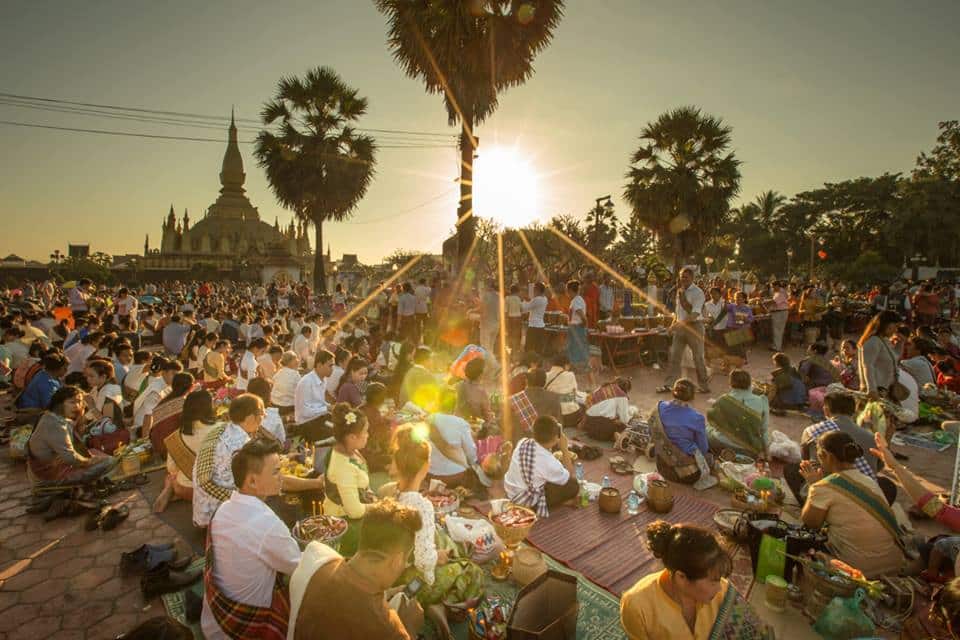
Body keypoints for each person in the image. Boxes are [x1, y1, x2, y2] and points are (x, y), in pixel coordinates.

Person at [201, 437, 300, 640]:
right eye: (275, 471)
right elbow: (301, 567)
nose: (281, 476)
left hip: (213, 623)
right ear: (252, 481)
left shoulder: (223, 508)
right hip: (241, 631)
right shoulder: (267, 525)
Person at [288, 499, 425, 640]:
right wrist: (409, 626)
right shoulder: (387, 629)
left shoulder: (319, 559)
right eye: (405, 560)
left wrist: (387, 593)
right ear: (396, 561)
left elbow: (350, 592)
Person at [620, 522, 770, 640]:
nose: (719, 588)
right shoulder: (637, 606)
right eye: (713, 581)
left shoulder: (724, 594)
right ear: (681, 578)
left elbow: (755, 633)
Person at [193, 394, 323, 528]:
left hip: (203, 513)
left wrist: (284, 458)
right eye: (262, 413)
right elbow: (278, 481)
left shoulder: (221, 429)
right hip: (220, 516)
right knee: (287, 505)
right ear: (250, 418)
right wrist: (316, 483)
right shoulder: (242, 445)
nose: (265, 416)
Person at [799, 431, 905, 578]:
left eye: (819, 456)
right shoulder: (868, 481)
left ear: (827, 456)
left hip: (857, 571)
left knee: (798, 542)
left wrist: (813, 485)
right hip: (893, 566)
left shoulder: (823, 487)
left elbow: (810, 522)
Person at [784, 391, 896, 505]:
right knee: (886, 485)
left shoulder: (814, 431)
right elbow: (877, 467)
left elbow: (805, 463)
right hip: (861, 494)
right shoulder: (872, 438)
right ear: (854, 411)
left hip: (829, 494)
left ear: (826, 409)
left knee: (794, 469)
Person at [27, 386, 118, 484]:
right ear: (60, 404)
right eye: (72, 402)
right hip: (50, 475)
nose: (77, 406)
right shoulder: (55, 425)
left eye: (79, 402)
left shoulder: (50, 416)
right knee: (110, 461)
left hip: (50, 466)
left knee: (93, 452)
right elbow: (71, 458)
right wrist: (90, 462)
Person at [322, 403, 376, 556]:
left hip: (358, 506)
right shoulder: (343, 467)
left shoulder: (348, 449)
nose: (368, 434)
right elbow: (354, 511)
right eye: (365, 431)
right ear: (352, 437)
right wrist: (379, 506)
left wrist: (371, 495)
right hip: (345, 523)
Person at [154, 389, 219, 513]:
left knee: (171, 477)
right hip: (216, 490)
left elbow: (172, 468)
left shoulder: (176, 436)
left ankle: (170, 488)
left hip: (186, 490)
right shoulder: (221, 429)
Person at [504, 415, 579, 516]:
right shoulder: (549, 462)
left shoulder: (523, 442)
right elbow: (569, 476)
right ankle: (553, 504)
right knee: (573, 486)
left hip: (510, 490)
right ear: (555, 438)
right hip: (525, 501)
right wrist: (564, 449)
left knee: (547, 477)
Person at [650, 379, 715, 489]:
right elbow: (703, 449)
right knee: (710, 452)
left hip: (662, 466)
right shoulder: (697, 417)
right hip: (688, 475)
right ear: (692, 396)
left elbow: (651, 433)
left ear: (673, 392)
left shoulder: (659, 407)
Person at [657, 268, 710, 394]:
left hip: (694, 326)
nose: (683, 279)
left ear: (692, 278)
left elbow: (695, 314)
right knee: (674, 356)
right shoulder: (679, 291)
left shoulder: (698, 292)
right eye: (681, 277)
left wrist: (678, 325)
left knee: (698, 358)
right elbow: (678, 312)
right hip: (680, 327)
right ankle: (669, 384)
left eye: (686, 277)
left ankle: (704, 386)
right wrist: (672, 325)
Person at [706, 369, 769, 458]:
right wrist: (767, 454)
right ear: (749, 383)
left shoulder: (723, 400)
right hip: (748, 451)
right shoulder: (762, 401)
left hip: (720, 445)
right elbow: (764, 431)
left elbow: (712, 420)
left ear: (731, 383)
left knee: (706, 429)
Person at [427, 388, 482, 491]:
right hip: (456, 476)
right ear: (455, 405)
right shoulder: (460, 423)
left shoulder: (429, 420)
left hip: (431, 475)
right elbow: (471, 454)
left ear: (438, 402)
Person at [148, 372, 195, 456]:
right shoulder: (184, 403)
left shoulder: (162, 402)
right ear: (191, 386)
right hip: (170, 449)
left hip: (158, 446)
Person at [858, 310, 901, 400]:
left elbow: (895, 358)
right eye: (895, 326)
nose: (895, 330)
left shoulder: (884, 341)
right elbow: (868, 366)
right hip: (876, 390)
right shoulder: (873, 341)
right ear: (887, 324)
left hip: (885, 390)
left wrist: (901, 343)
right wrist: (872, 389)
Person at [293, 350, 335, 442]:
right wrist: (327, 408)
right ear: (319, 365)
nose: (333, 369)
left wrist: (330, 407)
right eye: (330, 366)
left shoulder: (323, 379)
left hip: (318, 419)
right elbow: (304, 412)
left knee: (342, 425)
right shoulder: (307, 382)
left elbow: (318, 403)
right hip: (305, 424)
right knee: (336, 434)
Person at [135, 358, 182, 439]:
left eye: (178, 375)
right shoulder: (156, 390)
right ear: (163, 373)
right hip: (142, 427)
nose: (176, 377)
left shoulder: (166, 385)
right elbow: (148, 417)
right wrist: (144, 441)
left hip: (153, 422)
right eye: (173, 374)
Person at [582, 377, 632, 442]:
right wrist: (631, 415)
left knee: (613, 420)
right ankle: (616, 435)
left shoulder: (602, 387)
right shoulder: (621, 395)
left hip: (589, 428)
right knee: (626, 427)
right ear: (626, 390)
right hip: (603, 431)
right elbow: (624, 420)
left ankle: (615, 436)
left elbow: (587, 403)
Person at [359, 382, 392, 472]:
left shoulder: (361, 408)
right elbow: (383, 436)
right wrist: (388, 421)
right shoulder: (374, 414)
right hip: (368, 453)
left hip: (358, 449)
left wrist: (385, 419)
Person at [544, 353, 583, 429]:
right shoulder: (570, 375)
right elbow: (575, 393)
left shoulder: (546, 375)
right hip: (570, 417)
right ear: (566, 365)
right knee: (579, 403)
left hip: (553, 418)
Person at [455, 357, 492, 423]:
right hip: (474, 427)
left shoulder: (458, 385)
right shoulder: (481, 392)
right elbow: (487, 415)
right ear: (480, 374)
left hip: (457, 423)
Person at [565, 280, 589, 371]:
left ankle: (577, 367)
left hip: (576, 327)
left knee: (575, 348)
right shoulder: (576, 300)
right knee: (573, 347)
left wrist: (584, 324)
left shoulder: (576, 301)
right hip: (575, 327)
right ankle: (575, 367)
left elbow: (582, 315)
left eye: (567, 291)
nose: (567, 293)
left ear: (570, 290)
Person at [269, 351, 300, 417]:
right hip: (288, 406)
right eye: (295, 358)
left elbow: (273, 382)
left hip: (275, 403)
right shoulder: (295, 374)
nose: (298, 360)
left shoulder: (280, 371)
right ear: (289, 362)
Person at [522, 282, 548, 356]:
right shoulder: (545, 299)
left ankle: (529, 363)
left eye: (534, 289)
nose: (533, 291)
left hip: (534, 326)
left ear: (538, 290)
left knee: (529, 348)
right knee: (538, 348)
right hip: (540, 326)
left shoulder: (537, 299)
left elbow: (524, 309)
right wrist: (529, 300)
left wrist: (524, 300)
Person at [769, 281, 790, 352]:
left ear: (777, 286)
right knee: (778, 330)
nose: (772, 288)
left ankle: (777, 347)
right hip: (780, 312)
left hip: (780, 313)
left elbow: (774, 302)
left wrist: (763, 301)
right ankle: (776, 346)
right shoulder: (779, 292)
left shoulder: (781, 293)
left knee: (777, 330)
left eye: (773, 286)